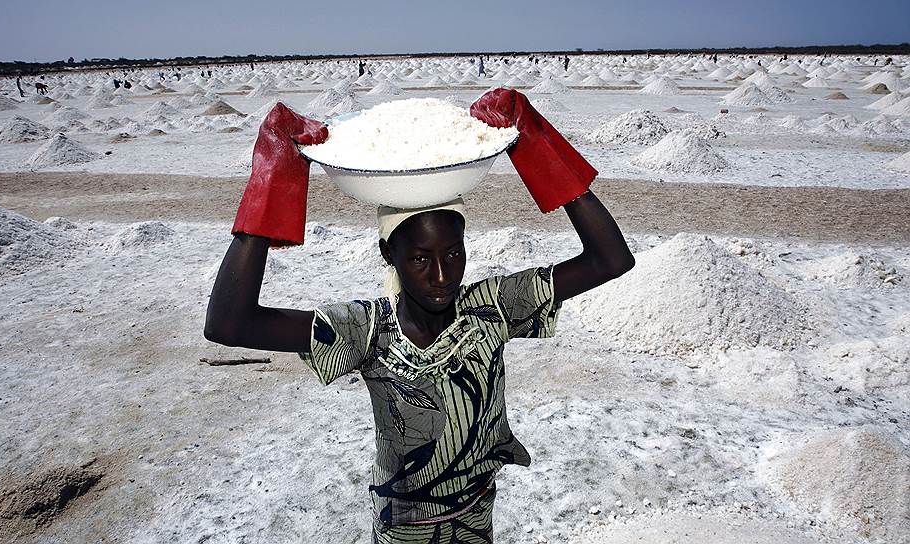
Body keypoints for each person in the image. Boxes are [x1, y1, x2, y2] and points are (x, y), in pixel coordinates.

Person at [204, 90, 635, 543]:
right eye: (420, 259)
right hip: (404, 532)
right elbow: (229, 324)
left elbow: (610, 259)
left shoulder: (492, 308)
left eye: (453, 253)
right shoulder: (366, 331)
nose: (443, 276)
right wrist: (274, 179)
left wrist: (536, 147)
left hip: (475, 519)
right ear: (388, 254)